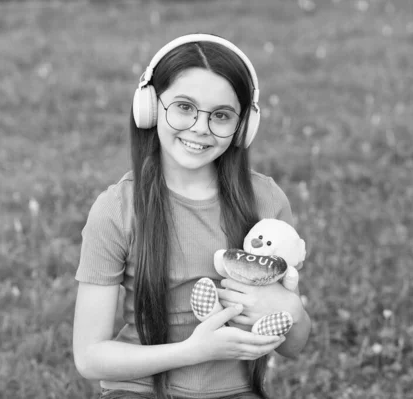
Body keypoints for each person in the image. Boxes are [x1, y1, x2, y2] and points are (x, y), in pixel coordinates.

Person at [73, 33, 311, 399]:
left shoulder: (266, 200)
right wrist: (193, 352)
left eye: (220, 115)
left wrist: (290, 307)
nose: (200, 127)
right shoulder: (116, 210)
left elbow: (293, 346)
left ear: (242, 127)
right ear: (150, 107)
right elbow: (90, 357)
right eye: (184, 107)